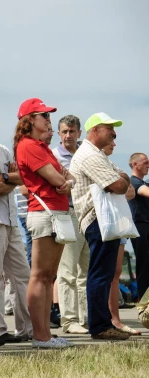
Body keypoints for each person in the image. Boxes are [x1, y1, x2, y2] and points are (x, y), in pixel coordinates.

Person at [14, 98, 76, 349]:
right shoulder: (29, 145)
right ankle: (40, 336)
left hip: (54, 212)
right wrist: (66, 181)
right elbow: (58, 179)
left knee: (48, 276)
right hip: (45, 213)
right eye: (44, 115)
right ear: (29, 120)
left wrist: (66, 181)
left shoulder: (42, 146)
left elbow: (67, 177)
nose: (49, 120)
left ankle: (45, 334)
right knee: (40, 275)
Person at [69, 113, 132, 341]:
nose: (114, 134)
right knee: (100, 274)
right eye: (110, 128)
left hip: (102, 220)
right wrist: (121, 180)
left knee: (103, 273)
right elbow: (119, 184)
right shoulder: (89, 155)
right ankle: (100, 325)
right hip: (98, 220)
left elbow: (125, 185)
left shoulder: (97, 155)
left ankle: (102, 323)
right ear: (95, 130)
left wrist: (121, 181)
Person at [0, 105, 32, 342]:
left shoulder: (3, 150)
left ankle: (27, 328)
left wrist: (5, 178)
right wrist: (8, 178)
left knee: (22, 274)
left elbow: (23, 177)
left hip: (11, 220)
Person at [51, 115, 89, 334]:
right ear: (59, 133)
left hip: (88, 214)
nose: (68, 136)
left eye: (72, 131)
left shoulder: (86, 154)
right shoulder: (55, 155)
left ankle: (85, 318)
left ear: (79, 133)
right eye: (64, 131)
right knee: (68, 270)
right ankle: (69, 319)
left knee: (86, 269)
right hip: (68, 213)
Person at [104, 143, 139, 335]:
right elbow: (122, 189)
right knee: (103, 274)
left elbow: (130, 192)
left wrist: (118, 187)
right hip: (104, 224)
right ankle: (106, 318)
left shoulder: (113, 166)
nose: (114, 143)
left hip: (118, 224)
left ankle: (115, 319)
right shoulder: (95, 162)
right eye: (110, 139)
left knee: (115, 273)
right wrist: (119, 187)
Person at [128, 152, 149, 301]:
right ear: (135, 164)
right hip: (140, 227)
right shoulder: (134, 182)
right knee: (144, 266)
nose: (148, 165)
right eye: (146, 162)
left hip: (145, 226)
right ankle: (144, 302)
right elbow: (145, 192)